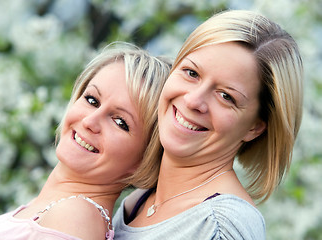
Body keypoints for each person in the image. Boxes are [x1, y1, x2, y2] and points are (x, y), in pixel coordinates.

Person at [113, 10, 303, 239]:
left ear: (255, 127)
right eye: (191, 73)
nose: (193, 100)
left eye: (226, 96)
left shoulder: (221, 227)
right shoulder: (138, 201)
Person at [0, 43, 171, 240]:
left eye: (120, 122)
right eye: (92, 100)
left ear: (145, 159)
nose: (90, 121)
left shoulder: (75, 217)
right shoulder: (53, 211)